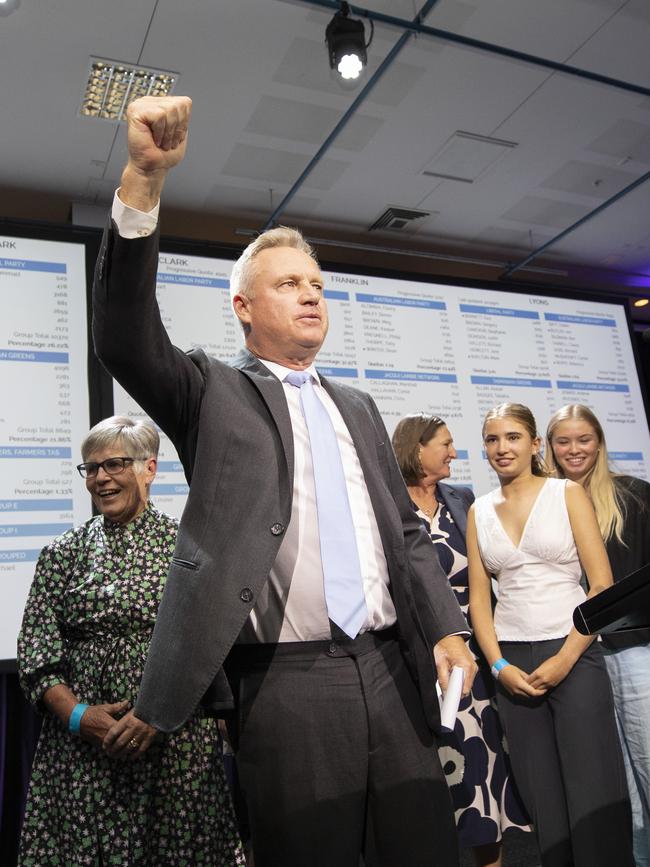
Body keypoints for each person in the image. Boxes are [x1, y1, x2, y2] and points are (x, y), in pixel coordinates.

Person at [92, 94, 477, 867]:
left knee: (423, 849)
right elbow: (125, 338)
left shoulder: (360, 405)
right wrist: (142, 178)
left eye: (318, 284)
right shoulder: (213, 392)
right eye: (289, 284)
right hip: (287, 683)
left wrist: (444, 625)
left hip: (391, 666)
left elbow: (404, 534)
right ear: (242, 306)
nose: (311, 294)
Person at [16, 416, 245, 866]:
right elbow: (38, 654)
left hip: (173, 750)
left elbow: (210, 648)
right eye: (91, 468)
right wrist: (82, 718)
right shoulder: (62, 553)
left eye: (114, 465)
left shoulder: (189, 550)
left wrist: (154, 717)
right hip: (81, 755)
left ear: (150, 469)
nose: (101, 478)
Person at [467, 402, 633, 867]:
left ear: (535, 444)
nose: (503, 448)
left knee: (593, 790)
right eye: (493, 440)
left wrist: (565, 658)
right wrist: (498, 666)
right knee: (542, 800)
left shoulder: (565, 493)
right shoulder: (478, 510)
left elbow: (601, 586)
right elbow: (481, 600)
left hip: (575, 652)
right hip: (514, 666)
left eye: (513, 437)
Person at [392, 413, 530, 867]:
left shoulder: (462, 498)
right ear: (417, 450)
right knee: (448, 772)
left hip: (478, 654)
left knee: (489, 768)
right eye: (446, 445)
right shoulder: (387, 505)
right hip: (425, 660)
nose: (454, 453)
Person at [546, 403, 650, 866]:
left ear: (600, 443)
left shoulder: (637, 497)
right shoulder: (541, 506)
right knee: (616, 789)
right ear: (548, 447)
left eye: (583, 439)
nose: (573, 450)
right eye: (562, 441)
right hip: (578, 661)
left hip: (634, 654)